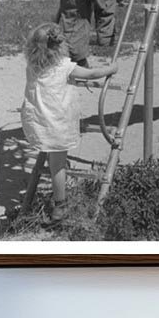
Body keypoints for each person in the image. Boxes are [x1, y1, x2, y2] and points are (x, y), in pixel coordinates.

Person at [19, 22, 117, 224]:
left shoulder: (32, 67)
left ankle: (59, 199)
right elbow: (90, 74)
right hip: (57, 124)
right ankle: (60, 205)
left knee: (53, 158)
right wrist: (111, 68)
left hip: (39, 122)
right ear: (60, 46)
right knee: (58, 166)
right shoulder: (65, 67)